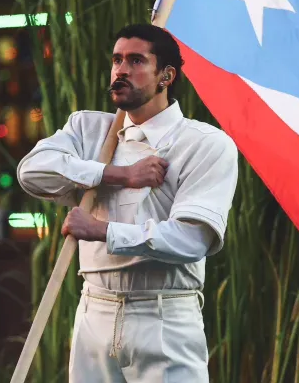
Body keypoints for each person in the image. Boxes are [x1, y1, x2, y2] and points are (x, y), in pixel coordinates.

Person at [16, 23, 239, 382]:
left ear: (166, 75)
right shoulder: (88, 131)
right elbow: (31, 172)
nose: (121, 70)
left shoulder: (205, 144)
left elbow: (192, 241)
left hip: (163, 316)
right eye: (117, 60)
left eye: (136, 61)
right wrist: (119, 175)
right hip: (94, 309)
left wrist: (102, 230)